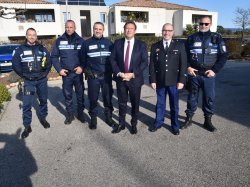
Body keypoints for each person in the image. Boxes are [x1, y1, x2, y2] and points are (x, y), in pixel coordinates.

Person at [181, 16, 228, 132]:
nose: (203, 26)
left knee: (209, 98)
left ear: (210, 24)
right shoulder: (191, 38)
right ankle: (189, 119)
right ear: (199, 24)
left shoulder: (217, 38)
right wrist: (188, 67)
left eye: (206, 24)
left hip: (208, 75)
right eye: (201, 23)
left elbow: (224, 56)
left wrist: (214, 70)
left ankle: (207, 121)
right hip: (194, 74)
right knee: (192, 98)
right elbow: (184, 55)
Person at [12, 28, 52, 138]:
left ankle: (43, 118)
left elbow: (49, 63)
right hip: (28, 82)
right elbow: (15, 65)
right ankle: (27, 125)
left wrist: (45, 74)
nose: (32, 37)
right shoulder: (20, 50)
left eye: (34, 35)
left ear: (36, 36)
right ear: (26, 36)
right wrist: (24, 76)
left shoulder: (42, 49)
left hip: (41, 81)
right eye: (29, 35)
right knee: (27, 104)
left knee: (43, 100)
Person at [148, 23, 187, 135]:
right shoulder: (155, 46)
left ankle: (175, 125)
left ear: (173, 32)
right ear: (162, 31)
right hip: (160, 81)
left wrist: (181, 80)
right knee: (160, 104)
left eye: (169, 30)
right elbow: (152, 65)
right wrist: (152, 80)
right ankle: (158, 122)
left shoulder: (179, 46)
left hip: (174, 82)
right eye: (165, 30)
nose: (167, 32)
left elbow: (183, 64)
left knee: (174, 105)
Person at [110, 21, 148, 134]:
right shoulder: (117, 43)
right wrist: (119, 73)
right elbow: (112, 60)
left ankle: (133, 123)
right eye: (127, 28)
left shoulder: (141, 45)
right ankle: (121, 123)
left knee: (135, 103)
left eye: (131, 28)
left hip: (135, 80)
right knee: (122, 103)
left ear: (135, 30)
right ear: (124, 29)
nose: (129, 30)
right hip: (121, 79)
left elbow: (144, 62)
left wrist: (133, 74)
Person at [81, 22, 116, 129]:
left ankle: (109, 117)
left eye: (100, 29)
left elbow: (113, 60)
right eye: (96, 28)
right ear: (93, 29)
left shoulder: (109, 43)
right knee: (93, 99)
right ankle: (93, 118)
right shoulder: (86, 44)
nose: (98, 31)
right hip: (93, 77)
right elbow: (82, 61)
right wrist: (87, 71)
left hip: (106, 77)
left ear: (103, 30)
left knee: (108, 98)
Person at [51, 20, 85, 125]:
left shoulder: (81, 41)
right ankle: (70, 115)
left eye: (71, 27)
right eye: (67, 27)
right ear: (65, 27)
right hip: (66, 74)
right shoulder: (59, 41)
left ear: (75, 28)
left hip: (78, 73)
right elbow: (54, 57)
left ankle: (80, 114)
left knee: (80, 96)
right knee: (67, 96)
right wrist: (59, 69)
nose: (69, 29)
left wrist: (82, 67)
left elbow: (85, 56)